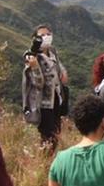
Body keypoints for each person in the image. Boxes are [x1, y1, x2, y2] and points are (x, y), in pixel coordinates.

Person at [21, 24, 69, 156]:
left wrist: (63, 73)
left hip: (56, 99)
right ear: (35, 39)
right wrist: (35, 67)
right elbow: (38, 84)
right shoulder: (31, 56)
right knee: (48, 137)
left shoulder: (52, 51)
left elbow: (58, 67)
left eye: (48, 34)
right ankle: (44, 163)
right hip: (43, 104)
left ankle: (49, 161)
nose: (46, 37)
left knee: (56, 134)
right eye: (42, 35)